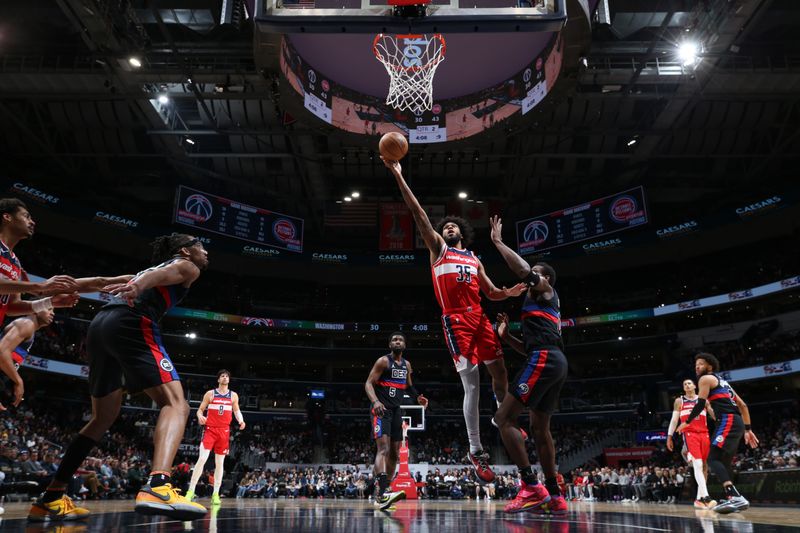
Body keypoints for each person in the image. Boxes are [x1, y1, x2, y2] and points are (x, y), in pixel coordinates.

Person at [28, 234, 210, 522]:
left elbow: (100, 281)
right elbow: (167, 273)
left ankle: (51, 497)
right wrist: (138, 286)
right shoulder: (187, 266)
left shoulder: (141, 272)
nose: (205, 252)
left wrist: (49, 291)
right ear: (186, 251)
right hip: (132, 320)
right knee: (176, 404)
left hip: (100, 325)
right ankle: (159, 485)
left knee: (102, 417)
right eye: (200, 246)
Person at [383, 159, 526, 483]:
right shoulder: (439, 250)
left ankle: (501, 418)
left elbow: (490, 293)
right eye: (444, 226)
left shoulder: (474, 258)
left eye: (452, 226)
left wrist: (510, 291)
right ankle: (475, 450)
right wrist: (398, 175)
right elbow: (418, 213)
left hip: (479, 316)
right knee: (471, 382)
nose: (447, 228)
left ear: (463, 231)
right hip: (456, 320)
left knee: (501, 373)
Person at [488, 215, 568, 515]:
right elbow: (531, 350)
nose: (529, 273)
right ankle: (556, 495)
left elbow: (522, 269)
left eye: (534, 272)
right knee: (539, 429)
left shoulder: (544, 288)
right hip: (553, 360)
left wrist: (497, 242)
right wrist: (507, 338)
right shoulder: (540, 305)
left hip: (546, 359)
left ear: (545, 277)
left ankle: (531, 487)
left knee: (502, 419)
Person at [677, 353, 759, 514]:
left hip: (728, 420)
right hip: (735, 422)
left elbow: (700, 403)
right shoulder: (724, 382)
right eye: (696, 364)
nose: (697, 367)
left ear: (710, 366)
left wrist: (687, 422)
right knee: (723, 461)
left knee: (712, 458)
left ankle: (734, 497)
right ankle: (734, 498)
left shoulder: (705, 379)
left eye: (700, 364)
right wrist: (748, 429)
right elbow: (743, 405)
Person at [364, 332, 428, 510]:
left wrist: (418, 398)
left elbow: (408, 385)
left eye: (400, 339)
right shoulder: (383, 361)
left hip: (396, 411)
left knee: (395, 453)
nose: (397, 341)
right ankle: (383, 493)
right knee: (383, 449)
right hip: (381, 409)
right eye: (394, 339)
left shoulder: (407, 365)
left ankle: (385, 491)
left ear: (405, 345)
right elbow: (368, 383)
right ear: (389, 344)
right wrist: (375, 401)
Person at [185, 369, 246, 505]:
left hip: (224, 432)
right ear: (218, 379)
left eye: (227, 376)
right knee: (202, 459)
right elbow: (200, 410)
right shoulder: (210, 394)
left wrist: (241, 421)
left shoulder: (233, 395)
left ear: (229, 380)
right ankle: (190, 491)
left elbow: (237, 411)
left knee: (220, 464)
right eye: (222, 376)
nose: (225, 378)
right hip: (210, 430)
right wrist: (200, 416)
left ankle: (216, 494)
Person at [667, 378, 716, 509]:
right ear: (684, 388)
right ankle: (706, 497)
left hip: (704, 433)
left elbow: (714, 416)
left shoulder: (703, 400)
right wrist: (669, 436)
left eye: (689, 383)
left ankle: (699, 499)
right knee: (698, 464)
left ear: (695, 386)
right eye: (685, 384)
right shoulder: (679, 401)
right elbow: (674, 420)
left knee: (704, 466)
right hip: (689, 434)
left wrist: (712, 408)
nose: (687, 385)